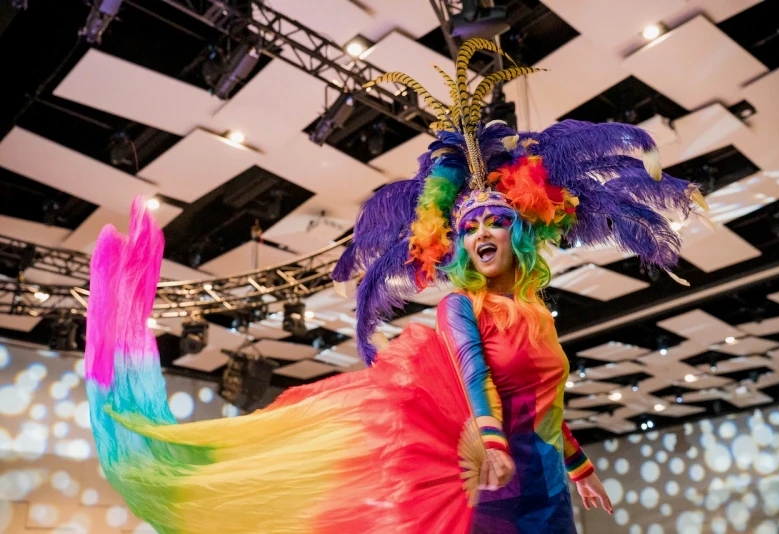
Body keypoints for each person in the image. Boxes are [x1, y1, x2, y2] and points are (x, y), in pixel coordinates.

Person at [84, 39, 705, 533]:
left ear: (520, 232)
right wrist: (492, 443)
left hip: (547, 487)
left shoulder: (536, 313)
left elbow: (546, 405)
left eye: (496, 220)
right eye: (468, 226)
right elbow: (477, 379)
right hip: (493, 479)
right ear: (456, 240)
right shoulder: (462, 307)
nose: (481, 231)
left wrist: (579, 465)